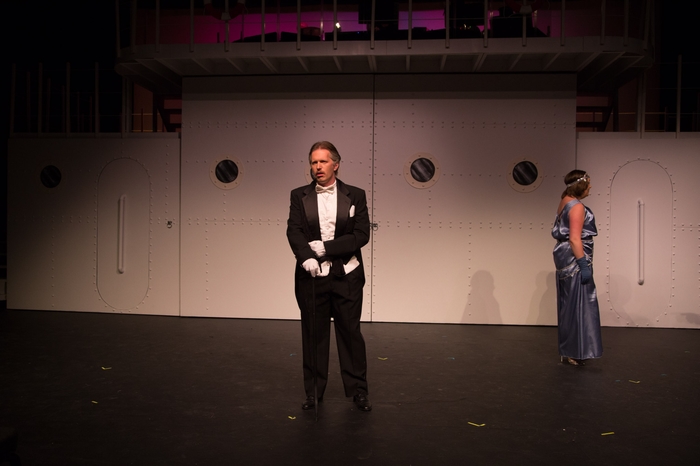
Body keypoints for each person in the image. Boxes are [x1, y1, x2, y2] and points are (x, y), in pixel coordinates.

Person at [286, 141, 372, 412]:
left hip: (347, 275)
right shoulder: (299, 195)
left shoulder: (355, 195)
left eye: (323, 161)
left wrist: (327, 248)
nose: (317, 167)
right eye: (314, 162)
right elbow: (294, 230)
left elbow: (361, 235)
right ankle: (313, 392)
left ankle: (358, 391)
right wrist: (306, 257)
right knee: (314, 335)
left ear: (336, 164)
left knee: (350, 334)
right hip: (313, 276)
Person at [551, 170, 603, 366]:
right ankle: (575, 351)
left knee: (569, 303)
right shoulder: (577, 206)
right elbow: (574, 238)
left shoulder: (565, 201)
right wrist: (583, 264)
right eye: (588, 183)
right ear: (581, 185)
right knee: (578, 303)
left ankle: (569, 349)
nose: (590, 186)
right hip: (574, 258)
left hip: (565, 255)